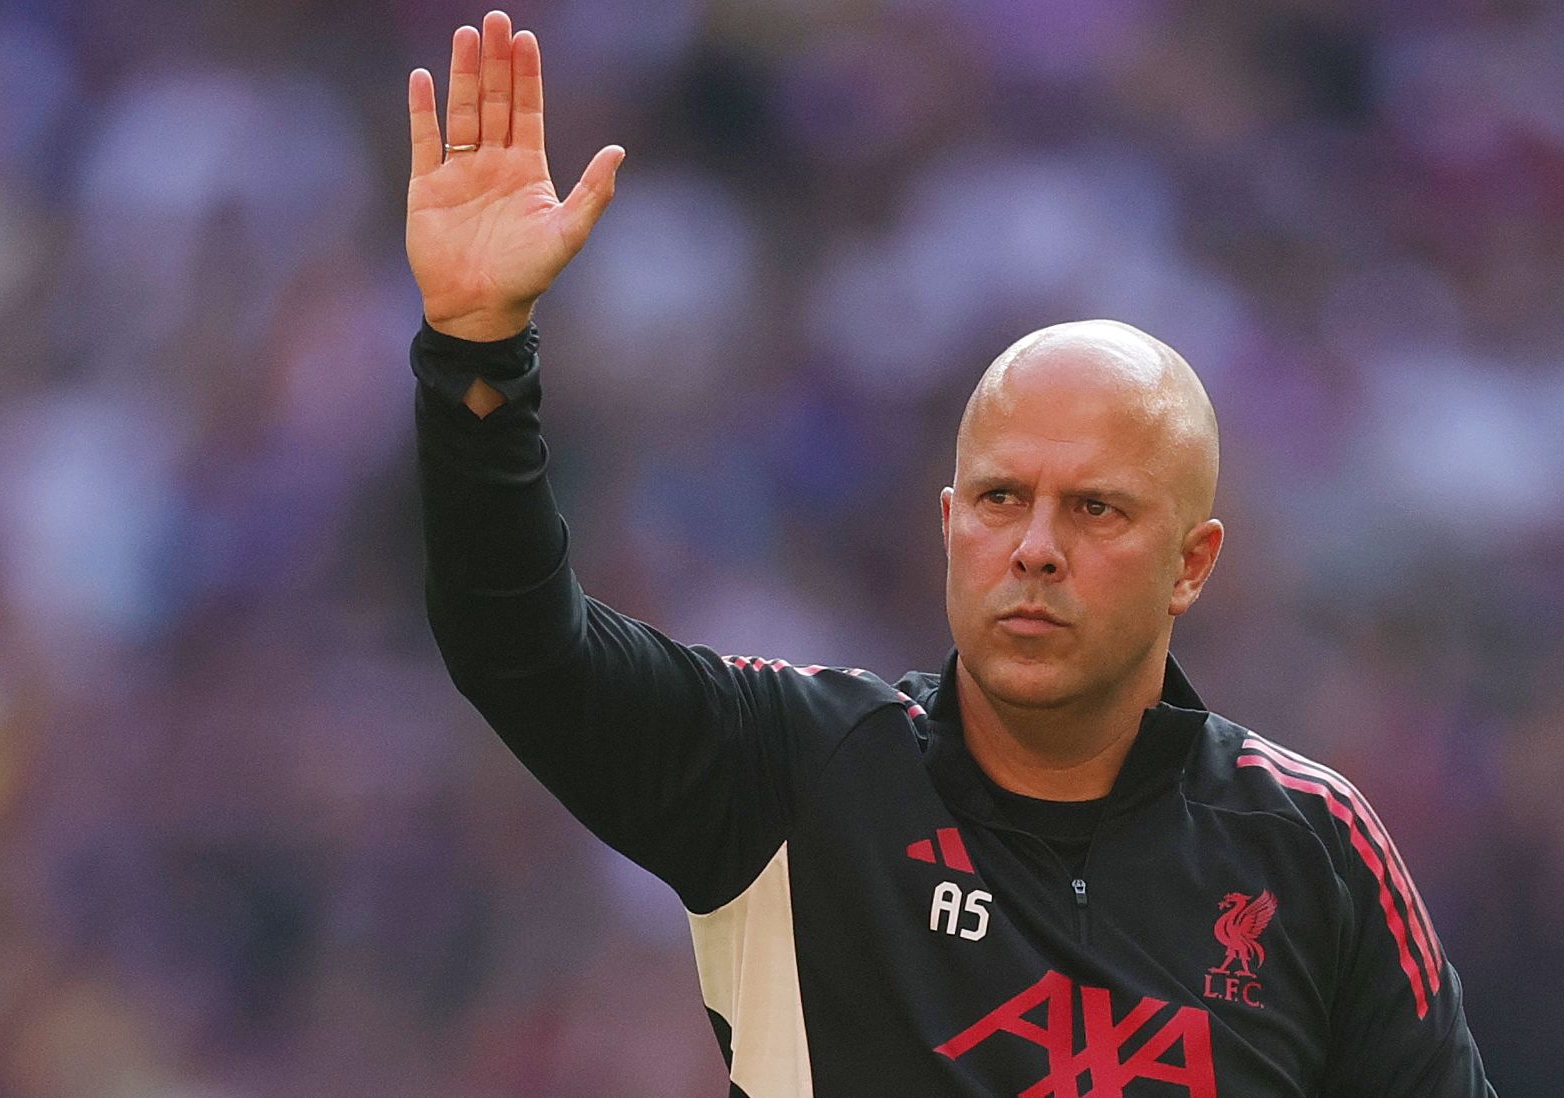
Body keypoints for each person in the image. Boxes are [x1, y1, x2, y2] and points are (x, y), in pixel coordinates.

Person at [407, 12, 1496, 1096]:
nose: (1035, 549)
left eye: (1096, 511)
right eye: (999, 500)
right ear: (946, 525)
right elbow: (513, 640)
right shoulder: (793, 773)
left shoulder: (1308, 849)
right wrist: (476, 350)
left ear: (1192, 564)